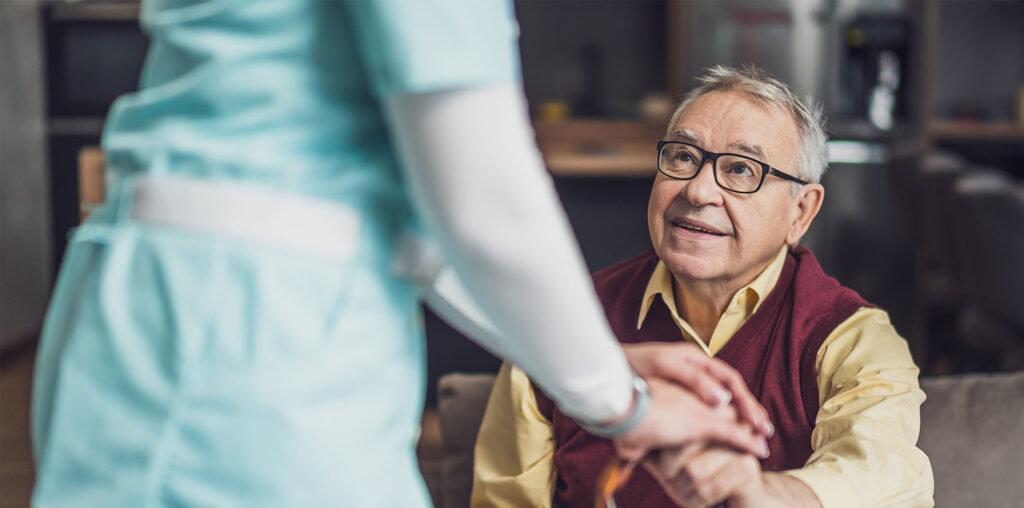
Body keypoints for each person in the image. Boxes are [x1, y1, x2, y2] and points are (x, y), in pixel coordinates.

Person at [30, 3, 772, 507]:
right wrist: (624, 404)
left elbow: (437, 214)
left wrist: (601, 372)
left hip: (223, 311)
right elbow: (480, 195)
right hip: (238, 333)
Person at [472, 65, 934, 508]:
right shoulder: (566, 321)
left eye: (741, 169)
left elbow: (881, 472)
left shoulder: (852, 338)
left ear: (801, 212)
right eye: (683, 157)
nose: (697, 191)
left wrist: (764, 495)